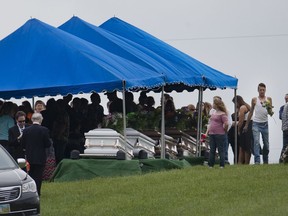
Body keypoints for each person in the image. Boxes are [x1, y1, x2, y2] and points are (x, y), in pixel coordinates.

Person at [21, 113, 51, 196]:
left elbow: (23, 144)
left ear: (32, 120)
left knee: (30, 175)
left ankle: (30, 191)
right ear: (41, 119)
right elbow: (48, 144)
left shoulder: (26, 130)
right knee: (38, 175)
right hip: (40, 156)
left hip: (29, 156)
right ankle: (38, 192)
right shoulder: (44, 130)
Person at [244, 83, 273, 164]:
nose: (262, 91)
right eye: (260, 90)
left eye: (263, 90)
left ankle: (265, 160)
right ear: (258, 90)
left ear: (265, 90)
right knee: (256, 142)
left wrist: (269, 107)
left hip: (265, 124)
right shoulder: (254, 100)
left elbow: (270, 113)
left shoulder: (269, 99)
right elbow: (251, 112)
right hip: (256, 123)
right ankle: (257, 161)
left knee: (266, 144)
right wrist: (246, 125)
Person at [207, 97, 229, 168]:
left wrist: (224, 130)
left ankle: (222, 164)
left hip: (220, 134)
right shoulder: (213, 113)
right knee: (212, 149)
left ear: (216, 104)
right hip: (212, 133)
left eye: (213, 103)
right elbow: (210, 122)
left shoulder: (223, 114)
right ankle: (210, 164)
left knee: (221, 150)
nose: (212, 104)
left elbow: (226, 123)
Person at [232, 95, 253, 164]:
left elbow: (241, 121)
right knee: (244, 146)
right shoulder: (247, 106)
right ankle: (242, 162)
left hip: (244, 127)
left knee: (244, 146)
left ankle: (243, 162)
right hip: (249, 126)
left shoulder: (242, 108)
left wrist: (238, 130)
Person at [279, 94, 288, 162]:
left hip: (285, 128)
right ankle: (281, 160)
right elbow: (280, 116)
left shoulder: (284, 107)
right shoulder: (283, 107)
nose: (286, 99)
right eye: (285, 98)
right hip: (286, 128)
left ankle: (282, 160)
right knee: (285, 145)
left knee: (285, 146)